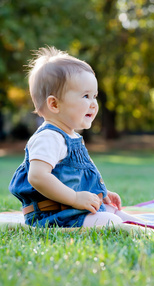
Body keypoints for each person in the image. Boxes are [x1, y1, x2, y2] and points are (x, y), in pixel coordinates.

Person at [9, 46, 137, 228]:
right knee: (111, 221)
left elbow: (74, 178)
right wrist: (75, 198)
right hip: (52, 215)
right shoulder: (49, 138)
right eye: (86, 96)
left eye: (95, 96)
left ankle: (146, 226)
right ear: (54, 104)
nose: (93, 104)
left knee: (113, 212)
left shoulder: (71, 137)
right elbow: (37, 177)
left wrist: (101, 193)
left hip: (70, 210)